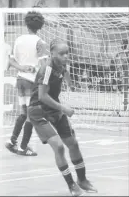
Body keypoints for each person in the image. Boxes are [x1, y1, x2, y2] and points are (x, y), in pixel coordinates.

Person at [28, 39, 97, 196]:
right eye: (62, 53)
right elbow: (42, 96)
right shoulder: (47, 69)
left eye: (67, 53)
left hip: (54, 109)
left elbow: (67, 80)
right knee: (58, 146)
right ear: (52, 53)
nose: (66, 56)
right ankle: (72, 185)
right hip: (38, 111)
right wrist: (63, 108)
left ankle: (83, 180)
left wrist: (69, 80)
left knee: (73, 144)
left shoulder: (62, 65)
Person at [5, 11, 49, 156]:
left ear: (26, 24)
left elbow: (10, 61)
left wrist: (22, 68)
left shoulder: (18, 39)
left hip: (20, 80)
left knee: (23, 113)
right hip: (32, 82)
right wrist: (47, 82)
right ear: (40, 26)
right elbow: (43, 66)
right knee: (32, 116)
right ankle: (23, 147)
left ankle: (12, 141)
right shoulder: (40, 42)